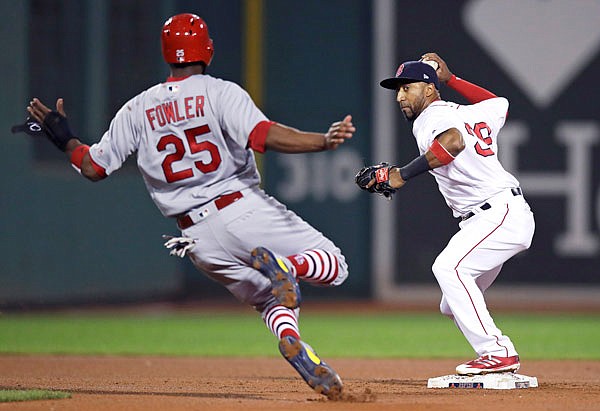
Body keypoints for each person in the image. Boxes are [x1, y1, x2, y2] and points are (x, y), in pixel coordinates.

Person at [22, 13, 354, 399]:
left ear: (167, 54)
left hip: (194, 239)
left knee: (268, 299)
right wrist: (322, 142)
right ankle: (289, 266)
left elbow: (93, 167)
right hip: (239, 206)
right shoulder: (220, 92)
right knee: (334, 264)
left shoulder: (137, 108)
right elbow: (263, 136)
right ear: (207, 49)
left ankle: (298, 346)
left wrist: (65, 139)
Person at [356, 52, 535, 375]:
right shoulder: (470, 113)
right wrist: (452, 80)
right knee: (451, 303)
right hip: (492, 216)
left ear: (428, 89)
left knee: (449, 268)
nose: (399, 97)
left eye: (406, 88)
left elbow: (452, 143)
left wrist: (400, 174)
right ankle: (496, 355)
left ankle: (498, 351)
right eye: (397, 90)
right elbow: (499, 103)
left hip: (499, 213)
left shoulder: (432, 119)